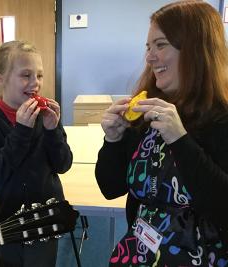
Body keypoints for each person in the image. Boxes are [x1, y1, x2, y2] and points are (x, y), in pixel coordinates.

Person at [95, 1, 228, 266]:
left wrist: (180, 139)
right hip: (140, 255)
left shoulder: (221, 120)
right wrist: (113, 140)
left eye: (161, 44)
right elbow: (110, 188)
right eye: (148, 47)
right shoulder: (149, 110)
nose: (150, 56)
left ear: (194, 50)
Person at [0, 40, 73, 266]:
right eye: (26, 75)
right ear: (0, 80)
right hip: (8, 221)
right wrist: (21, 130)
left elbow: (63, 164)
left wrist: (51, 130)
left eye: (39, 75)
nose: (35, 83)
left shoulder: (44, 115)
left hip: (45, 217)